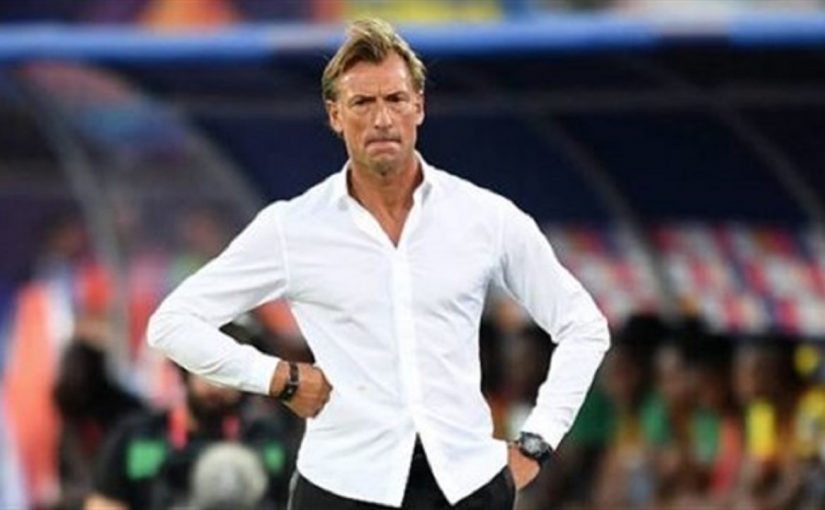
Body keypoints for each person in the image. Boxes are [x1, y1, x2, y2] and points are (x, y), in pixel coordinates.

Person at [147, 17, 610, 510]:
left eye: (395, 99)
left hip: (466, 482)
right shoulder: (293, 227)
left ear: (419, 107)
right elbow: (172, 324)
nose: (382, 119)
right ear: (335, 115)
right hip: (342, 484)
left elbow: (583, 326)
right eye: (363, 103)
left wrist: (538, 441)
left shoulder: (484, 216)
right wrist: (278, 378)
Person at [84, 358, 293, 510]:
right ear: (184, 369)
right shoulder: (136, 436)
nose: (217, 386)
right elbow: (104, 503)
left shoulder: (268, 440)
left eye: (229, 374)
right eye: (208, 370)